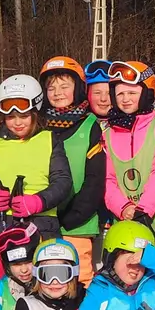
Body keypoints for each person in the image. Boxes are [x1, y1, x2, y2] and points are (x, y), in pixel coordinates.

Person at [0, 74, 72, 273]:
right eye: (10, 117)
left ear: (35, 113)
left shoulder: (49, 140)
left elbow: (62, 181)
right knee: (0, 283)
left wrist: (39, 201)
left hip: (38, 228)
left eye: (24, 116)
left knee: (40, 280)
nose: (17, 122)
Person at [39, 56, 106, 282]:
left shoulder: (90, 125)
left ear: (77, 88)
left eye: (64, 86)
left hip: (78, 223)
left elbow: (95, 177)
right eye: (51, 88)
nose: (57, 92)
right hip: (43, 221)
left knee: (80, 279)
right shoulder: (38, 125)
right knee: (46, 280)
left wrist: (74, 215)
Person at [102, 60, 155, 243]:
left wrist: (144, 208)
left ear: (146, 93)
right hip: (126, 227)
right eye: (120, 93)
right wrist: (123, 207)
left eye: (132, 92)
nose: (125, 98)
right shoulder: (107, 134)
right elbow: (106, 179)